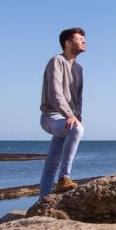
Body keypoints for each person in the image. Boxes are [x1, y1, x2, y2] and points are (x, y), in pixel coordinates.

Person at [38, 27, 86, 199]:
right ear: (67, 43)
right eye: (80, 38)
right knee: (77, 129)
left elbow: (78, 97)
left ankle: (42, 201)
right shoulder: (56, 61)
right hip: (51, 116)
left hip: (67, 118)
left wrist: (77, 114)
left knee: (51, 163)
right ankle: (64, 177)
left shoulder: (79, 68)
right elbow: (54, 93)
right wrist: (69, 115)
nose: (84, 41)